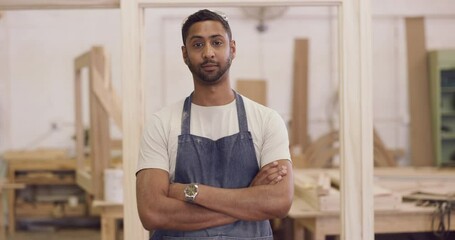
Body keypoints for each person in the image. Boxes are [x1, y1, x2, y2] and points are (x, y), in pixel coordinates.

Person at [136, 9, 294, 240]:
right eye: (198, 45)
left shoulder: (266, 120)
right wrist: (249, 199)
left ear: (232, 49)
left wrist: (191, 192)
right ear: (185, 54)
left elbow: (279, 202)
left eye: (217, 42)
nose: (208, 53)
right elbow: (152, 213)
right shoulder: (161, 124)